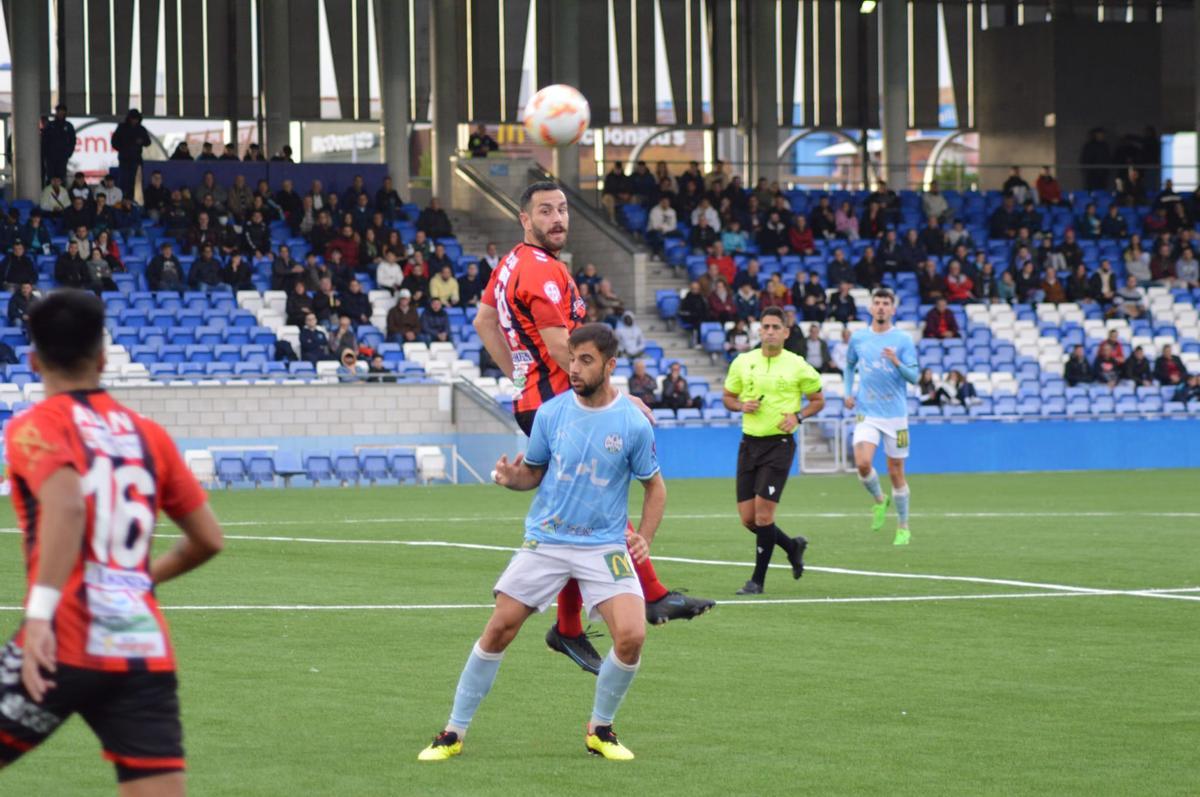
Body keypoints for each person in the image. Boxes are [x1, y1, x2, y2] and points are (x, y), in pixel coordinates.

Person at [473, 181, 713, 675]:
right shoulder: (542, 270)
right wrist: (619, 399)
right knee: (586, 517)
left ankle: (630, 602)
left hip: (541, 400)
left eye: (562, 209)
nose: (558, 218)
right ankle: (624, 605)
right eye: (546, 210)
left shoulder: (512, 264)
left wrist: (520, 377)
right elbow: (564, 349)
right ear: (524, 218)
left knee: (587, 509)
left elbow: (483, 322)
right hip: (564, 403)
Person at [0, 290, 224, 792]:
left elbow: (68, 505)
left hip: (59, 641)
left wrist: (39, 616)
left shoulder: (35, 427)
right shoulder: (149, 435)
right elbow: (209, 539)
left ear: (34, 360)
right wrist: (139, 580)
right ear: (103, 359)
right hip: (141, 650)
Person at [418, 324, 665, 764]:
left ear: (610, 365)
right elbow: (532, 472)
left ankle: (600, 729)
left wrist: (643, 539)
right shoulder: (551, 414)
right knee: (499, 629)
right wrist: (512, 479)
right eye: (571, 358)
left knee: (632, 636)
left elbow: (655, 487)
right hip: (547, 540)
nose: (573, 368)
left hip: (603, 546)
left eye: (585, 360)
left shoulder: (632, 423)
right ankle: (452, 732)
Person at [720, 307, 824, 594]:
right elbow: (728, 397)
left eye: (776, 327)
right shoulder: (743, 362)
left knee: (764, 517)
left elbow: (818, 399)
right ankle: (792, 547)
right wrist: (742, 405)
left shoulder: (798, 365)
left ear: (786, 332)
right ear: (759, 331)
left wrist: (798, 417)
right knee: (748, 519)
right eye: (765, 326)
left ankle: (757, 582)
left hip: (779, 444)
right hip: (749, 443)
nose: (769, 331)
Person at [844, 289, 920, 546]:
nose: (880, 307)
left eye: (885, 304)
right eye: (876, 303)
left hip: (896, 416)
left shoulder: (902, 339)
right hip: (867, 412)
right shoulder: (859, 338)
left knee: (896, 473)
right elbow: (848, 365)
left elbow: (915, 377)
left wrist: (896, 361)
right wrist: (847, 392)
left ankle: (903, 526)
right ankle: (879, 501)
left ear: (893, 310)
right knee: (863, 463)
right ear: (870, 308)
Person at [109, 109, 151, 198]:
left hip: (136, 160)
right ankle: (123, 200)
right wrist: (123, 148)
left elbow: (148, 142)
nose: (134, 121)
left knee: (137, 183)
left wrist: (141, 141)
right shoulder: (122, 128)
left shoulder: (141, 129)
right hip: (124, 160)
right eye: (132, 119)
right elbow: (114, 142)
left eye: (136, 119)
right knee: (124, 182)